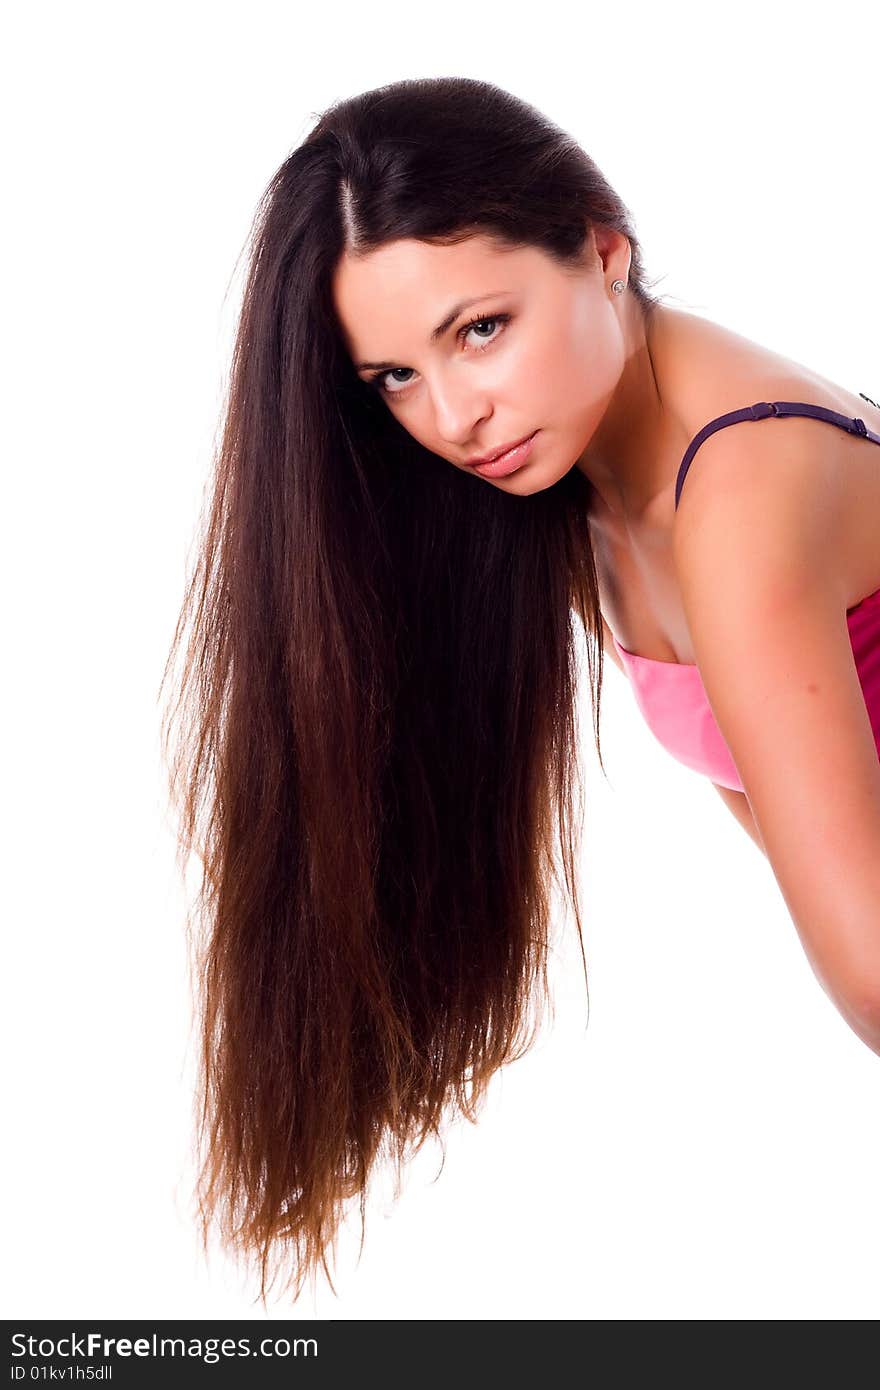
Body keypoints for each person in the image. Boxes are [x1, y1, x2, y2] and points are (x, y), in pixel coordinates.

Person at [161, 74, 880, 1307]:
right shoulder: (581, 491)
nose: (450, 415)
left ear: (604, 249)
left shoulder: (738, 489)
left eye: (478, 328)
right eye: (391, 376)